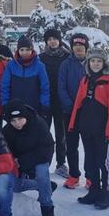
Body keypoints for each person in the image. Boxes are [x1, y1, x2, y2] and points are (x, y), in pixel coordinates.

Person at [68, 48, 109, 210]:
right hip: (86, 128)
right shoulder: (86, 79)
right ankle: (93, 190)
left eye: (99, 61)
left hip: (102, 130)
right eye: (92, 61)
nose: (96, 64)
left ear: (104, 63)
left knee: (103, 162)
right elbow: (78, 103)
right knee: (90, 160)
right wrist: (72, 125)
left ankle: (106, 193)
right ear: (88, 63)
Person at [2, 99, 57, 216]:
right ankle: (46, 187)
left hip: (39, 159)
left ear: (25, 116)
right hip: (19, 163)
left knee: (42, 173)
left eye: (20, 119)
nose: (17, 123)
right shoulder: (7, 131)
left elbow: (47, 149)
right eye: (13, 121)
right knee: (13, 185)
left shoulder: (39, 125)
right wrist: (12, 160)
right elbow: (4, 150)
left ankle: (47, 208)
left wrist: (21, 161)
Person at [58, 33, 90, 188]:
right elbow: (61, 86)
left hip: (89, 113)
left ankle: (91, 176)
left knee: (90, 145)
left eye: (81, 46)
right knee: (71, 145)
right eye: (76, 46)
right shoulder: (66, 64)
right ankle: (74, 175)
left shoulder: (93, 63)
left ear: (86, 48)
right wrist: (70, 106)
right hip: (69, 112)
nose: (78, 49)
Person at [39, 29, 70, 178]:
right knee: (44, 134)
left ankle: (61, 163)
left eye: (55, 39)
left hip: (61, 101)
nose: (52, 42)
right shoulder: (41, 57)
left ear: (59, 40)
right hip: (45, 101)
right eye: (49, 39)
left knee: (61, 134)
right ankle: (43, 163)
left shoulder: (67, 56)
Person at [0, 35, 50, 118]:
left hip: (34, 107)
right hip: (15, 107)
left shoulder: (39, 66)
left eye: (27, 50)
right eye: (22, 50)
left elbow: (44, 88)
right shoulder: (11, 66)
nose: (24, 52)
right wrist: (5, 104)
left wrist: (44, 105)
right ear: (18, 50)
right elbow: (5, 86)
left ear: (32, 50)